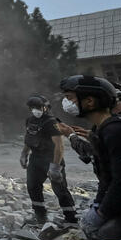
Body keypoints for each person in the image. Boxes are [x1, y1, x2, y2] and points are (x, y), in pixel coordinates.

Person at [59, 76, 121, 240]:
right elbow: (106, 175)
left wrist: (102, 213)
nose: (66, 103)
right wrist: (98, 204)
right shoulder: (104, 129)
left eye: (70, 98)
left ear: (90, 101)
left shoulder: (117, 131)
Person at [20, 95, 78, 225]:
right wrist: (24, 154)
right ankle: (40, 216)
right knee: (32, 186)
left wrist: (55, 167)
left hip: (52, 158)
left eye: (38, 107)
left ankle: (71, 219)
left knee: (60, 189)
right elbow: (29, 138)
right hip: (36, 158)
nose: (36, 110)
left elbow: (59, 145)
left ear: (45, 107)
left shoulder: (51, 122)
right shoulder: (30, 120)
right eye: (33, 108)